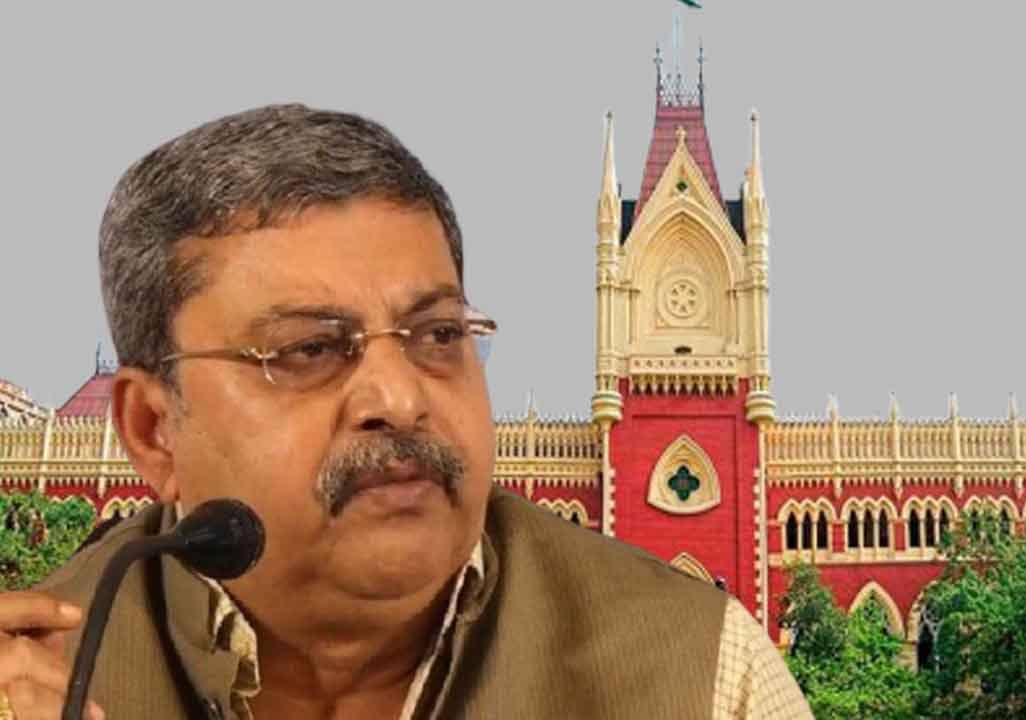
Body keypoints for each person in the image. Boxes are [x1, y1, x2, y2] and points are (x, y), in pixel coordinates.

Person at [0, 105, 811, 719]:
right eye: (309, 349)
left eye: (438, 334)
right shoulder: (42, 667)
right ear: (153, 431)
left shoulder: (706, 675)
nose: (399, 397)